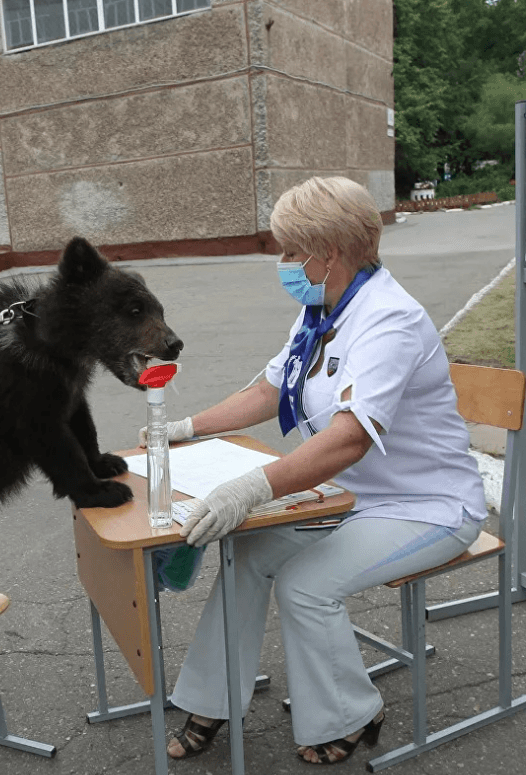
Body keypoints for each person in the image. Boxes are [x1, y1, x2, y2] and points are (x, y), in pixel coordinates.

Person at [141, 176, 486, 765]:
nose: (283, 263)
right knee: (245, 554)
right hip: (350, 498)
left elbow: (348, 439)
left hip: (428, 505)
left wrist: (250, 487)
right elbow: (271, 387)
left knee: (306, 586)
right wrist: (188, 428)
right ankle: (214, 698)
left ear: (329, 253)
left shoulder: (388, 320)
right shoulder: (322, 308)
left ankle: (354, 710)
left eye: (290, 251)